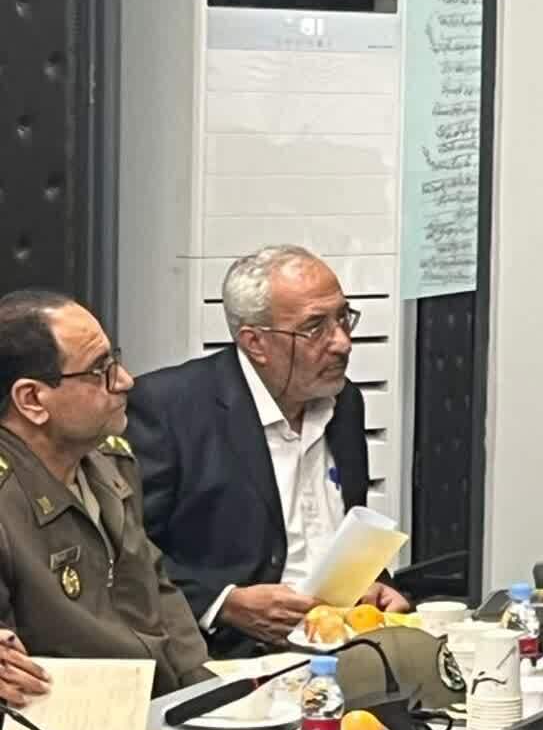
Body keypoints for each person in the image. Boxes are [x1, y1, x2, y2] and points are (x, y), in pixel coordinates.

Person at [127, 246, 408, 656]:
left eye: (343, 318)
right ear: (255, 342)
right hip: (230, 655)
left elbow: (340, 530)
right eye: (315, 327)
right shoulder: (168, 408)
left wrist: (376, 584)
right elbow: (126, 556)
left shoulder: (344, 402)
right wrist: (222, 603)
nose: (343, 343)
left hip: (344, 643)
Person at [0, 290, 211, 701]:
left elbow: (154, 587)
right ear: (32, 400)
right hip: (69, 718)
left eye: (113, 361)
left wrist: (205, 691)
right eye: (98, 371)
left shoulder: (110, 459)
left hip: (158, 702)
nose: (126, 380)